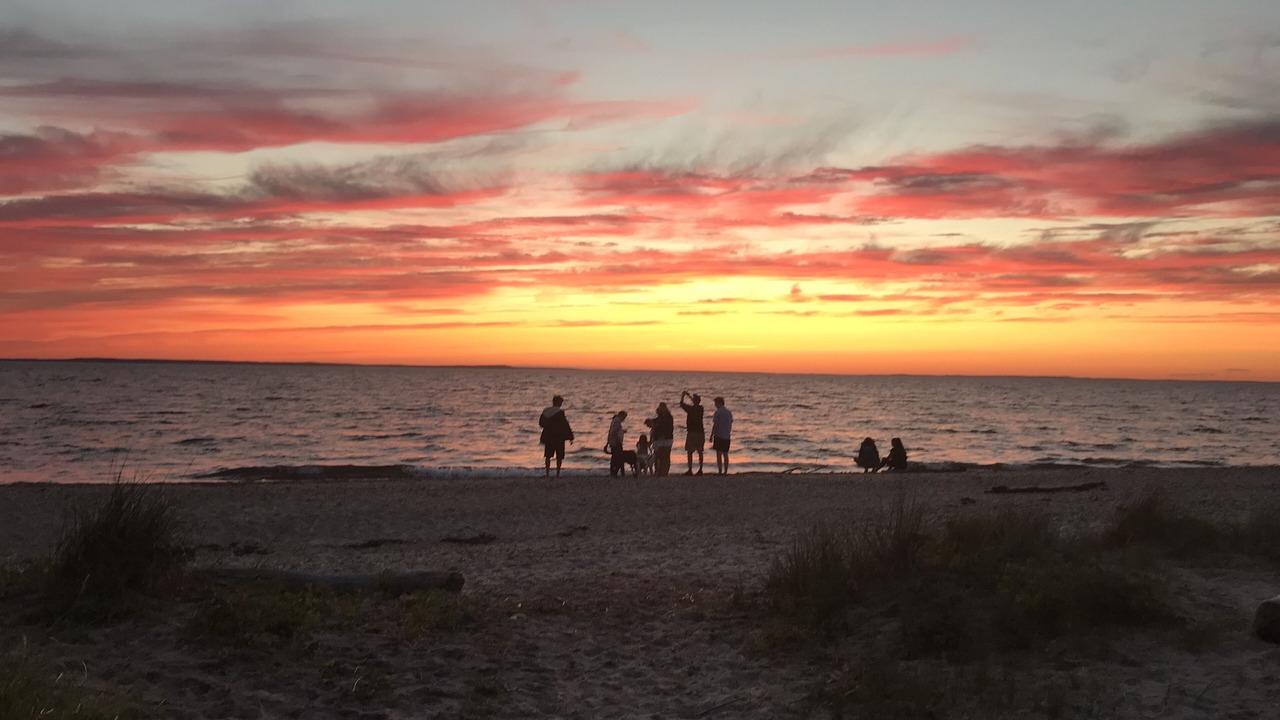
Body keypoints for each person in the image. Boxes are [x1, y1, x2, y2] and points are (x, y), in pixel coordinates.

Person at [538, 395, 574, 477]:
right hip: (559, 437)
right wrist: (570, 437)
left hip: (548, 436)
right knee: (559, 455)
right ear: (559, 403)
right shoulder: (560, 413)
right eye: (561, 402)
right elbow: (565, 425)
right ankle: (557, 473)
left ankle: (547, 473)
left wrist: (549, 426)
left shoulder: (545, 411)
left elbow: (541, 423)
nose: (561, 404)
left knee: (548, 455)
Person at [679, 390, 705, 476]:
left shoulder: (691, 409)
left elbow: (681, 404)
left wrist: (684, 396)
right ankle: (700, 469)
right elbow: (694, 403)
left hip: (692, 432)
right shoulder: (701, 409)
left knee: (690, 452)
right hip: (700, 432)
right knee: (700, 451)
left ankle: (690, 469)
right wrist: (690, 397)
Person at [645, 402, 675, 476]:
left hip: (666, 438)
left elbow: (669, 427)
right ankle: (660, 471)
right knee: (660, 456)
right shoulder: (661, 417)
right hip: (661, 438)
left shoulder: (668, 417)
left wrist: (664, 435)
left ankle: (664, 472)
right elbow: (656, 423)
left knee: (665, 455)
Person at [711, 396, 733, 475]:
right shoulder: (729, 412)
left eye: (716, 403)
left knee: (719, 454)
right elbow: (730, 424)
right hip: (727, 435)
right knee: (725, 454)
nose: (715, 405)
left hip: (719, 435)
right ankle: (725, 471)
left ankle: (720, 471)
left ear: (719, 403)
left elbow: (715, 425)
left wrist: (711, 435)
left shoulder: (718, 412)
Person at [605, 410, 628, 478]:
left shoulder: (615, 421)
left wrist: (622, 431)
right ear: (621, 415)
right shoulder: (617, 421)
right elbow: (614, 432)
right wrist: (618, 440)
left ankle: (614, 472)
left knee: (615, 458)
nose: (624, 419)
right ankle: (616, 473)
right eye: (624, 417)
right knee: (618, 458)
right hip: (616, 443)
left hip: (614, 442)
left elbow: (614, 431)